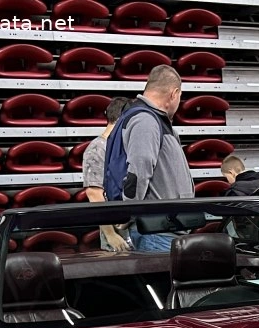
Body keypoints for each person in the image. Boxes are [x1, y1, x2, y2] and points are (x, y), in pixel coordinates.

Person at [121, 65, 194, 251]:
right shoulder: (146, 121)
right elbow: (138, 171)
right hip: (157, 233)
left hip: (164, 230)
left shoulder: (155, 121)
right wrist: (130, 213)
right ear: (174, 94)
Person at [82, 96, 133, 251]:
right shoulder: (97, 149)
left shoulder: (121, 146)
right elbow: (94, 194)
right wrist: (110, 234)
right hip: (117, 238)